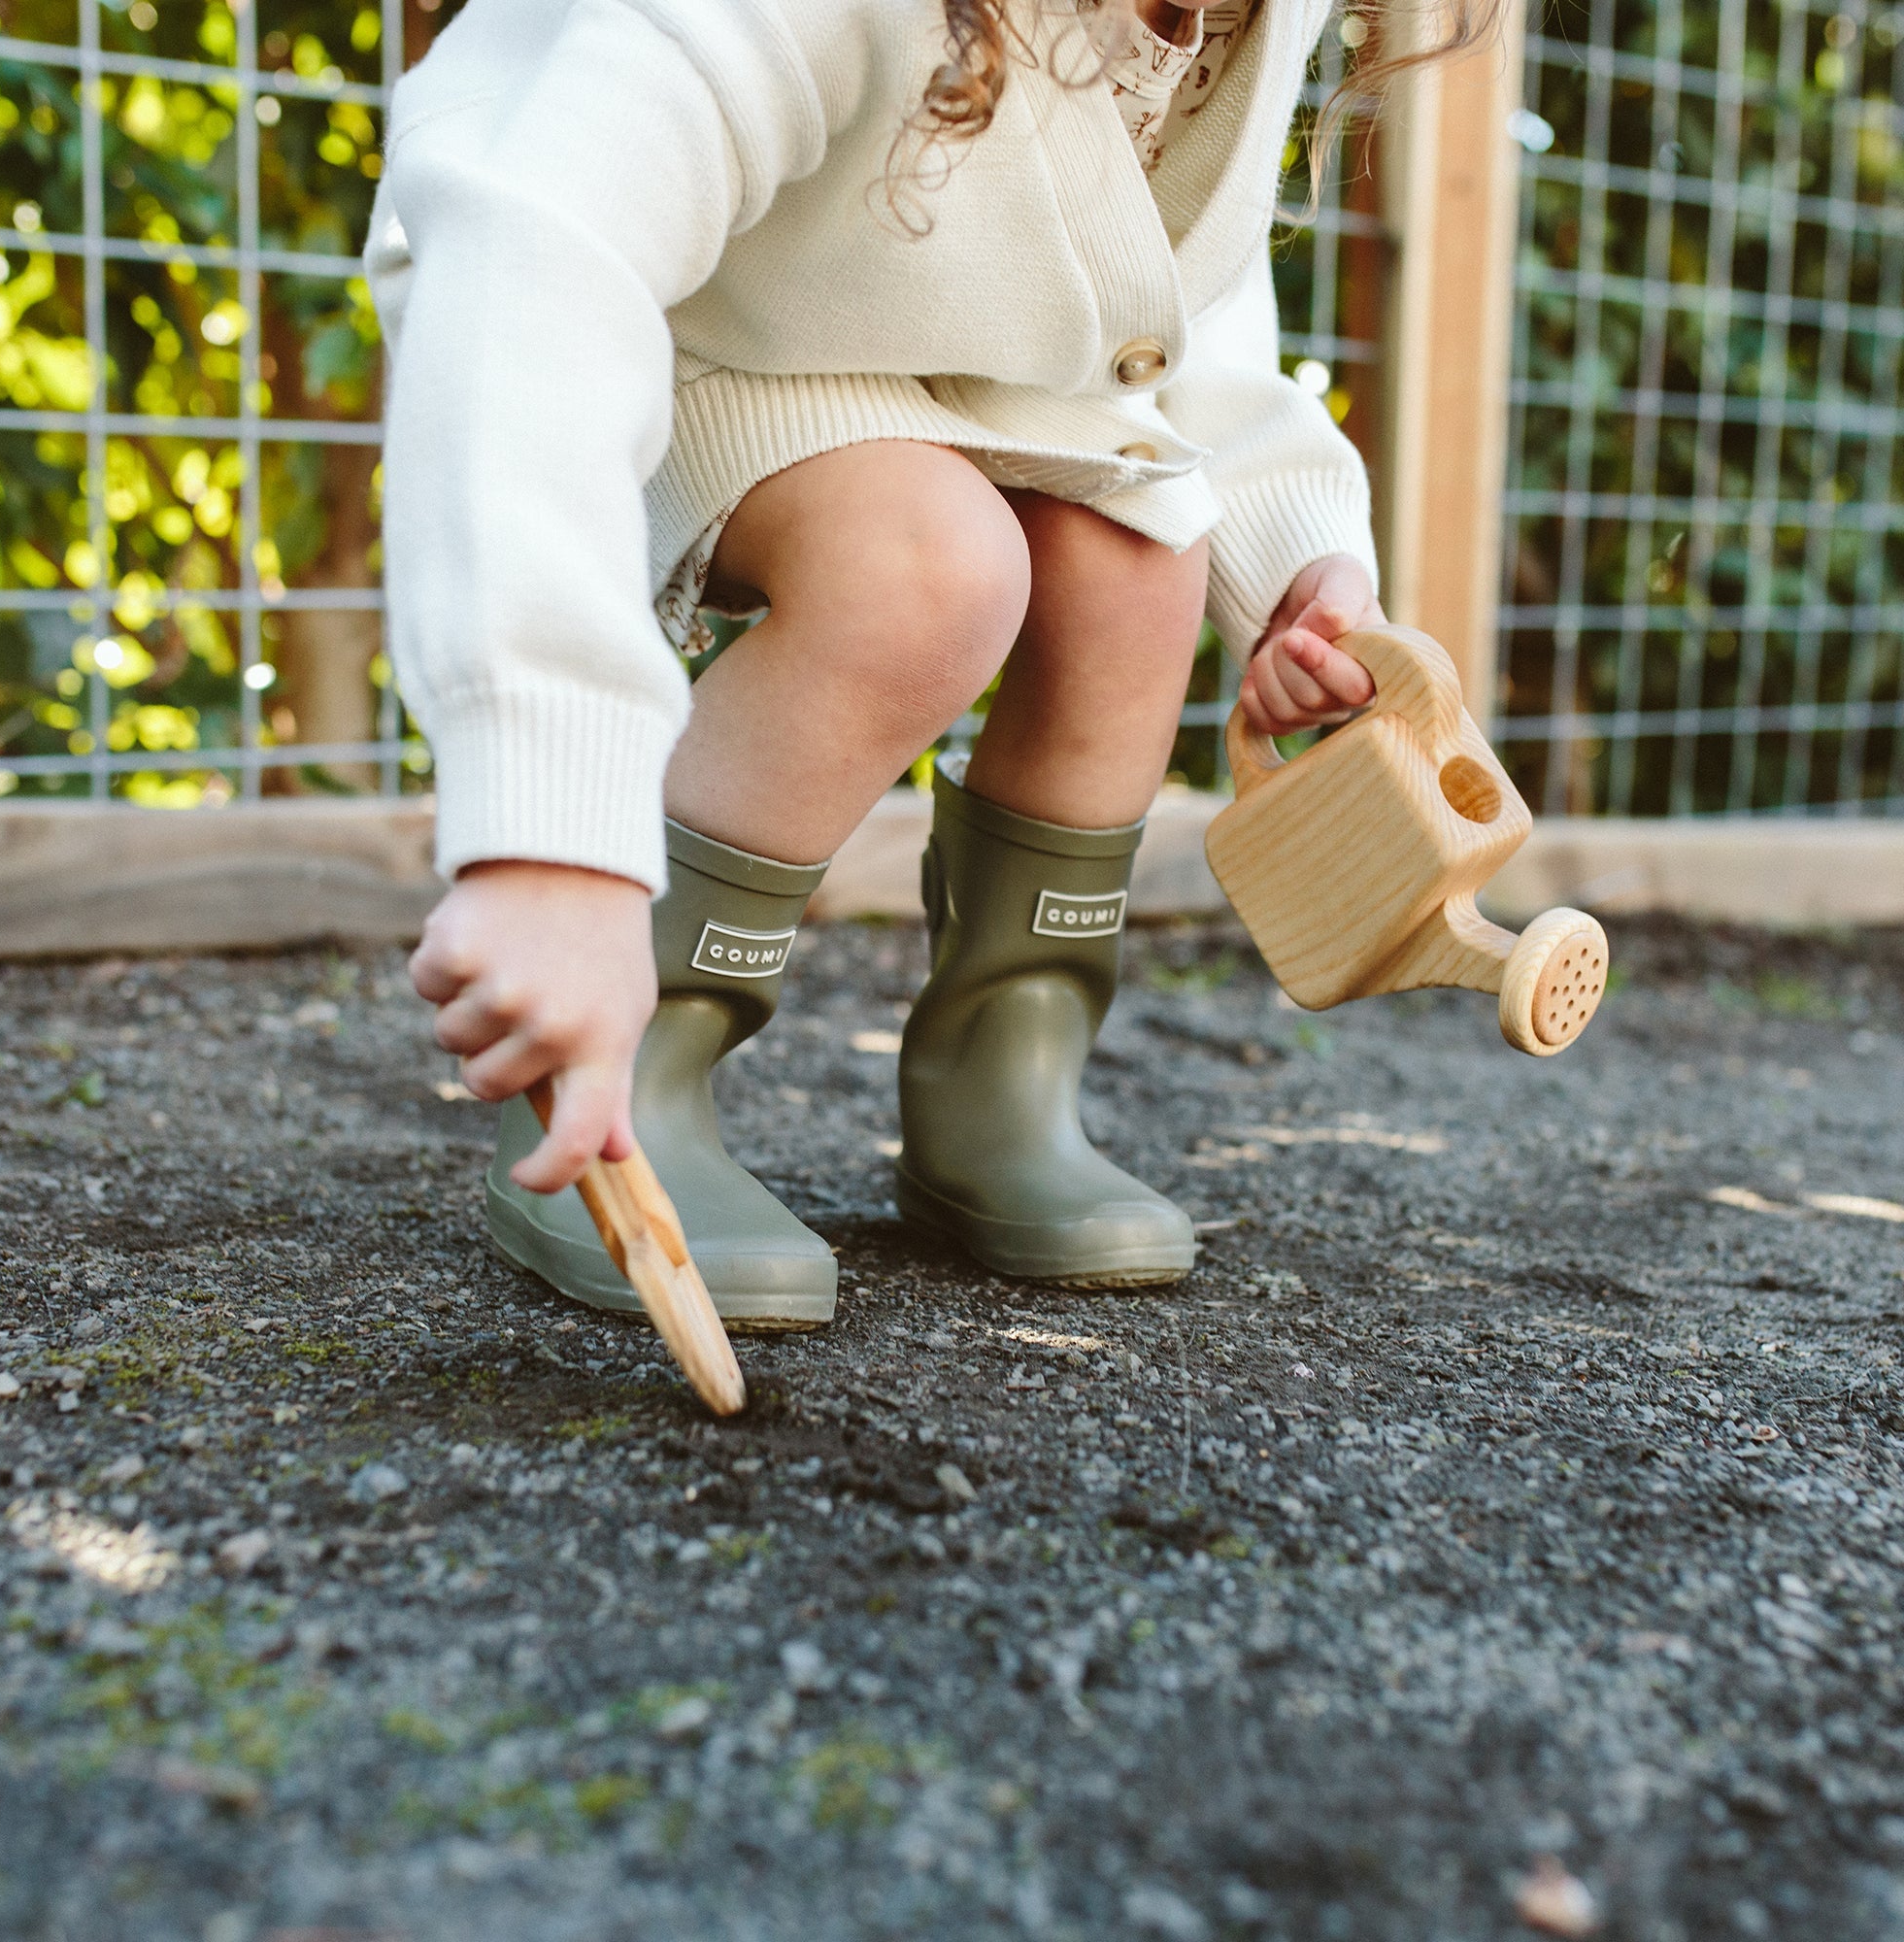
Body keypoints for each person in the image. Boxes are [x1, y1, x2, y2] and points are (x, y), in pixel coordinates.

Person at [366, 0, 1483, 1327]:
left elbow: (1175, 269)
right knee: (926, 576)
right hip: (653, 306)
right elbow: (540, 266)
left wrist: (1296, 549)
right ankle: (622, 1067)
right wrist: (550, 839)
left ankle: (1004, 1075)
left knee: (1138, 559)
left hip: (948, 349)